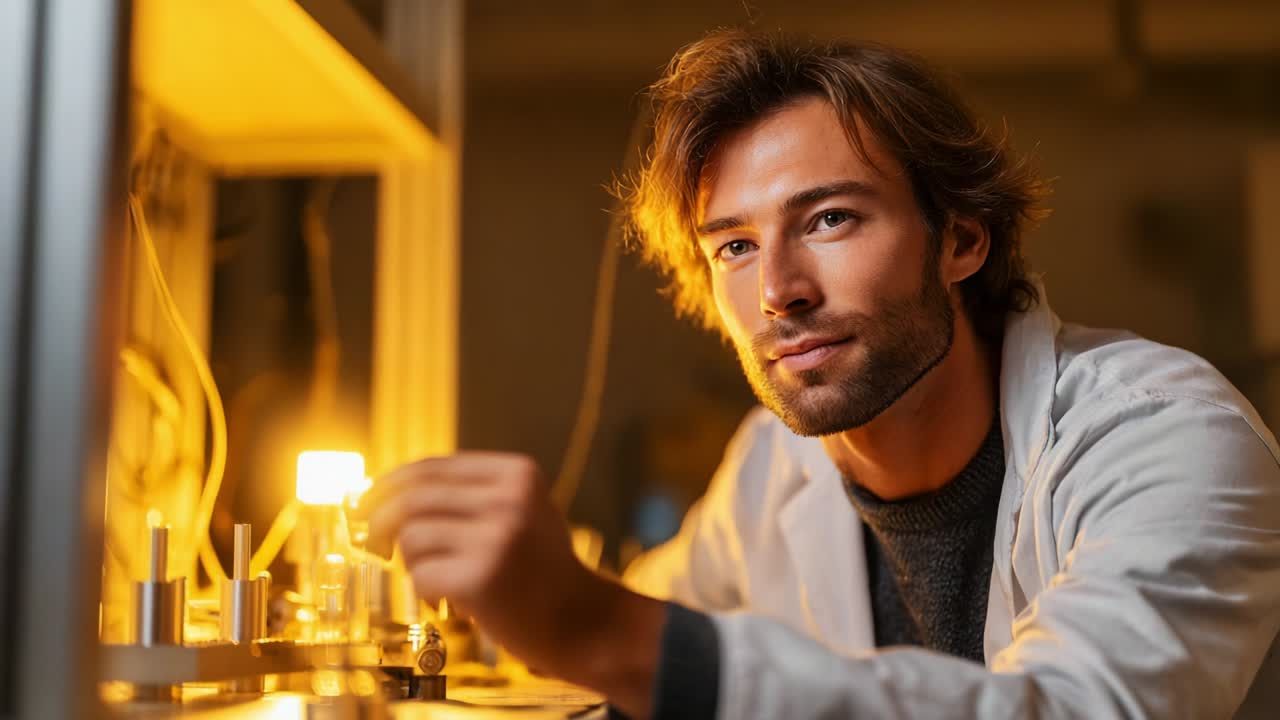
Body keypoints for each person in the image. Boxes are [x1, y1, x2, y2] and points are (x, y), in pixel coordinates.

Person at [356, 29, 1280, 719]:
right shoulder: (773, 463)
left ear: (961, 238)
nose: (778, 292)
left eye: (831, 219)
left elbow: (1077, 708)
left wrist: (601, 631)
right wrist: (497, 599)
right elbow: (668, 605)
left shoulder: (1168, 434)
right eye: (735, 246)